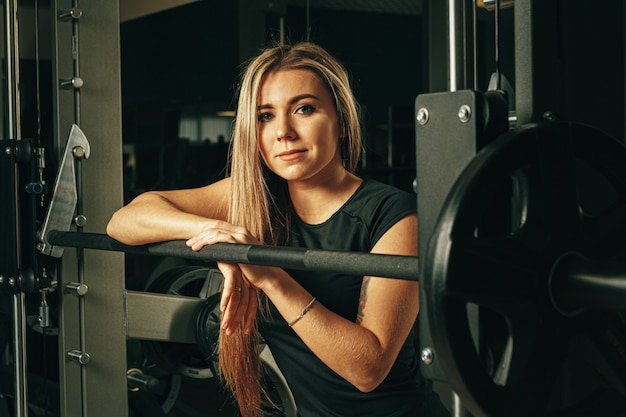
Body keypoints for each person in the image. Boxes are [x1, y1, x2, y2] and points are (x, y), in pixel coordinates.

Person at [107, 41, 450, 417]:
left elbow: (367, 369)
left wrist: (271, 276)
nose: (283, 131)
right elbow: (124, 221)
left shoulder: (394, 216)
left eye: (304, 109)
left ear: (341, 122)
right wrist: (218, 235)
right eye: (265, 116)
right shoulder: (257, 202)